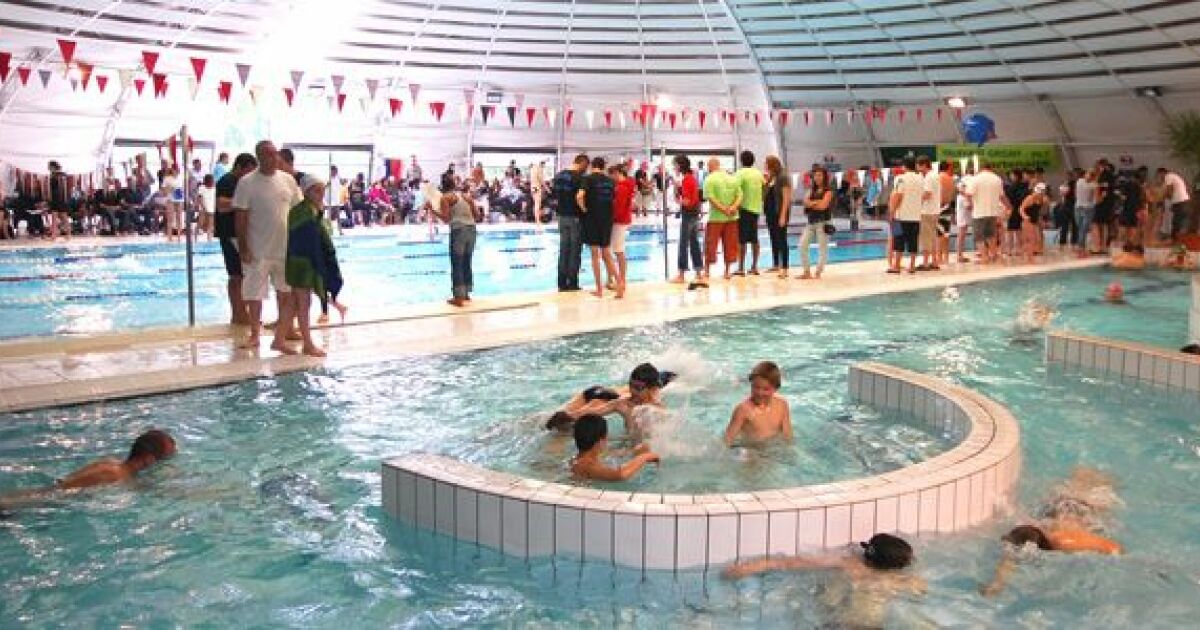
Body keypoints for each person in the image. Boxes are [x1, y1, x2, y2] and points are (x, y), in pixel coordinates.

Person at [723, 534, 926, 628]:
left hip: (834, 625)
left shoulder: (845, 564)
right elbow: (921, 591)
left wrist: (746, 567)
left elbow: (788, 563)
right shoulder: (903, 581)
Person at [982, 467, 1123, 597]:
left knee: (1094, 482)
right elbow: (1009, 559)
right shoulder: (1023, 535)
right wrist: (997, 584)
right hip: (1057, 509)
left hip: (1084, 507)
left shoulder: (1063, 541)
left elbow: (1114, 547)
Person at [233, 140, 304, 353]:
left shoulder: (288, 180)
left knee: (286, 293)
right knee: (255, 295)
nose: (275, 159)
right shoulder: (247, 183)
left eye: (276, 155)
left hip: (284, 249)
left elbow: (298, 211)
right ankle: (255, 334)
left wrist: (300, 243)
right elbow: (241, 218)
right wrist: (244, 248)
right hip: (258, 250)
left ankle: (284, 332)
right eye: (270, 155)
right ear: (259, 158)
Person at [0, 430, 177, 510]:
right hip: (17, 506)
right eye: (163, 460)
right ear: (148, 459)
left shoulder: (112, 464)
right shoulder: (115, 475)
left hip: (27, 500)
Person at [284, 175, 336, 357]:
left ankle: (277, 340)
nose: (321, 194)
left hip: (302, 262)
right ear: (306, 192)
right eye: (316, 190)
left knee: (293, 303)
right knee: (304, 304)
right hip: (301, 264)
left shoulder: (312, 209)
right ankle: (308, 344)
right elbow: (305, 240)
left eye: (322, 190)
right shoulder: (303, 211)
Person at [215, 153, 256, 326]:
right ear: (239, 167)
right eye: (248, 170)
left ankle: (242, 313)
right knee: (236, 276)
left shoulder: (242, 182)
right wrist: (242, 202)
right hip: (229, 233)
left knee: (244, 274)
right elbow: (221, 205)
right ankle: (238, 314)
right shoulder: (227, 181)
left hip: (239, 234)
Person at [576, 157, 620, 298]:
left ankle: (599, 290)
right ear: (602, 167)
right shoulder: (610, 181)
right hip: (607, 219)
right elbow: (613, 199)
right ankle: (620, 284)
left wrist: (583, 208)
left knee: (595, 255)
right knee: (607, 254)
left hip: (592, 219)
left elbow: (579, 196)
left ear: (592, 166)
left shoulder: (588, 179)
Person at [569, 414, 660, 482]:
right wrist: (645, 456)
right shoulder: (587, 465)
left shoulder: (581, 458)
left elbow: (611, 455)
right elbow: (620, 475)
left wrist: (636, 451)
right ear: (601, 441)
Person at [434, 181, 482, 307]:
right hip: (472, 230)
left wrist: (432, 209)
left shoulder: (446, 198)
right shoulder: (466, 197)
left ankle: (458, 298)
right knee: (467, 261)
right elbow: (477, 215)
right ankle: (466, 293)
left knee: (457, 262)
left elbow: (446, 219)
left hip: (459, 231)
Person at [723, 361, 793, 446]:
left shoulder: (782, 405)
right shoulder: (743, 410)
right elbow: (727, 440)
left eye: (765, 389)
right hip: (752, 450)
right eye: (756, 387)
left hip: (773, 447)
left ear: (775, 388)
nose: (760, 393)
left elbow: (787, 434)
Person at [554, 154, 589, 292]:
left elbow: (554, 195)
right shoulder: (580, 178)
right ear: (582, 163)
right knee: (574, 251)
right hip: (575, 217)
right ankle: (573, 283)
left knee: (563, 250)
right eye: (585, 166)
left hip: (561, 216)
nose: (585, 170)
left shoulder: (558, 176)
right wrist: (585, 210)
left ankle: (562, 284)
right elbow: (580, 197)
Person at [703, 157, 741, 280]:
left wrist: (724, 209)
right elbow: (740, 195)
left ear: (710, 166)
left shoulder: (709, 179)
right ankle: (727, 272)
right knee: (730, 244)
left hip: (716, 218)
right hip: (732, 217)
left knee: (711, 244)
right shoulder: (732, 177)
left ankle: (707, 272)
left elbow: (711, 198)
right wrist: (733, 207)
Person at [672, 155, 705, 286]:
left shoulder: (687, 180)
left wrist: (677, 199)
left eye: (675, 165)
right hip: (694, 214)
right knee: (694, 243)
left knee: (683, 244)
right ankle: (698, 273)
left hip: (688, 215)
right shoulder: (692, 178)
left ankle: (681, 274)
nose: (674, 167)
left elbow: (687, 201)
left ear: (680, 166)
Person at [966, 163, 1009, 264]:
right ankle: (993, 255)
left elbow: (968, 194)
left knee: (979, 236)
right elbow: (1002, 196)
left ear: (981, 169)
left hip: (979, 212)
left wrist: (970, 204)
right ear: (991, 168)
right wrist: (1009, 206)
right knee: (991, 235)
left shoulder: (975, 179)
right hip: (993, 212)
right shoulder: (997, 179)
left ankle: (985, 257)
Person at [888, 158, 923, 274]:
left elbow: (898, 196)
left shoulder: (901, 178)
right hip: (916, 216)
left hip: (901, 216)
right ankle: (912, 266)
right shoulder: (921, 178)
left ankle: (896, 266)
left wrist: (891, 212)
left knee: (898, 241)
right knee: (913, 241)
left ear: (904, 166)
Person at [799, 166, 834, 279]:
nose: (817, 178)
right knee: (802, 245)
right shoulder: (811, 190)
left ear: (824, 177)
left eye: (820, 175)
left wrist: (811, 203)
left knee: (822, 249)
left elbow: (823, 206)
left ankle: (818, 271)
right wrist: (816, 202)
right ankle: (807, 271)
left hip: (823, 223)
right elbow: (805, 203)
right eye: (815, 175)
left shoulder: (828, 191)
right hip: (811, 223)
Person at [733, 151, 764, 276]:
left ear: (741, 161)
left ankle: (740, 268)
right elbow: (765, 187)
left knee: (742, 240)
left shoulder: (739, 173)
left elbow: (735, 190)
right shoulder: (758, 173)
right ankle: (754, 267)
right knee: (754, 238)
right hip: (756, 209)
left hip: (744, 209)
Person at [762, 155, 792, 279]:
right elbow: (766, 195)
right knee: (773, 238)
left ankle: (784, 268)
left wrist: (783, 215)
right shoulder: (772, 177)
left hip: (779, 212)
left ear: (772, 164)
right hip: (770, 213)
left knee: (782, 239)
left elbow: (786, 198)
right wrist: (766, 181)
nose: (764, 165)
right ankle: (776, 264)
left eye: (766, 163)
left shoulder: (783, 177)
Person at [609, 164, 634, 296]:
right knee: (619, 251)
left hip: (619, 221)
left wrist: (610, 218)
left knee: (618, 251)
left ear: (617, 173)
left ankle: (621, 281)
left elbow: (618, 208)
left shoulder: (622, 188)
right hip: (623, 220)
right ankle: (619, 280)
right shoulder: (626, 185)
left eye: (612, 175)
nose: (611, 178)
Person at [1018, 182, 1049, 263]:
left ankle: (1024, 254)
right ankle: (1029, 259)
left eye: (1042, 193)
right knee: (1031, 239)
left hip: (1035, 220)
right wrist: (1025, 216)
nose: (1041, 194)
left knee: (1037, 239)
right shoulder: (1030, 198)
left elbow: (1038, 211)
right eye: (1040, 193)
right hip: (1027, 221)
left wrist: (1041, 220)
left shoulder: (1042, 199)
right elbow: (1021, 208)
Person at [1074, 168, 1099, 256]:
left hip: (1087, 209)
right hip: (1078, 207)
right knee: (1080, 228)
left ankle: (1081, 248)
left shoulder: (1094, 185)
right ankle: (1080, 247)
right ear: (1085, 174)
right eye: (1089, 174)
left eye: (1091, 175)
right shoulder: (1079, 181)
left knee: (1083, 229)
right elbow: (1076, 193)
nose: (1089, 176)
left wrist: (1091, 203)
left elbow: (1096, 199)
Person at [47, 161, 71, 240]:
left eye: (49, 166)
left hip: (58, 198)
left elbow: (59, 188)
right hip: (59, 199)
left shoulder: (57, 175)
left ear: (53, 167)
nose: (48, 168)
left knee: (58, 217)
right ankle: (67, 235)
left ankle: (55, 236)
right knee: (62, 217)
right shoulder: (60, 175)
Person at [196, 174, 216, 241]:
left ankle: (209, 240)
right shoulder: (202, 188)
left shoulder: (214, 188)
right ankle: (195, 238)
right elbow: (199, 198)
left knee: (210, 225)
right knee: (200, 224)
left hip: (211, 209)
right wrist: (203, 207)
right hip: (203, 209)